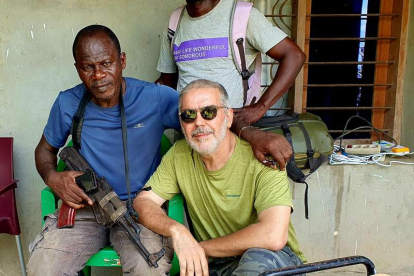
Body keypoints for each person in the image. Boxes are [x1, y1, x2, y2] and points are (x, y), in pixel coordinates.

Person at [28, 25, 293, 276]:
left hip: (139, 212)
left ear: (122, 60)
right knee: (43, 267)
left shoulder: (153, 97)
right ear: (78, 69)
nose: (98, 76)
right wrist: (53, 178)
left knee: (149, 268)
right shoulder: (67, 102)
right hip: (86, 207)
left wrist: (252, 133)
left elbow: (202, 114)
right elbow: (44, 150)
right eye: (87, 67)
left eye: (106, 64)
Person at [134, 79, 306, 276]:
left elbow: (273, 235)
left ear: (228, 117)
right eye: (188, 115)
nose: (199, 122)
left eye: (209, 112)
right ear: (182, 124)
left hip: (275, 261)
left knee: (255, 261)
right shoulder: (179, 155)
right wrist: (178, 231)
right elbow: (143, 202)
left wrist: (200, 247)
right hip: (216, 264)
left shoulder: (263, 157)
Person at [156, 0, 306, 124]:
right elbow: (167, 82)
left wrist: (260, 107)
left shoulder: (242, 16)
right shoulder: (174, 22)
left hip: (233, 132)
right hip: (188, 130)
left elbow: (294, 56)